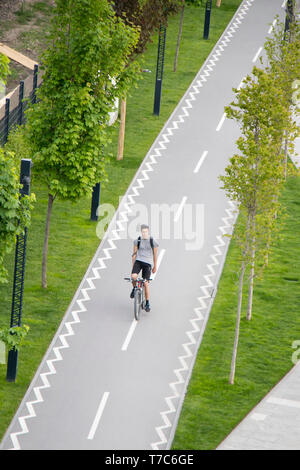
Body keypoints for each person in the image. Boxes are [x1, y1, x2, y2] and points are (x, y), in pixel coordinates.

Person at [130, 224, 159, 312]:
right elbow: (134, 254)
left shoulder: (152, 241)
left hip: (148, 263)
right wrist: (133, 266)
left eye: (146, 232)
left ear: (148, 232)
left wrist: (155, 266)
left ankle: (147, 302)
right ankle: (134, 288)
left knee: (145, 283)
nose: (144, 233)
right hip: (138, 261)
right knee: (133, 277)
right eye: (143, 232)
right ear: (141, 232)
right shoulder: (137, 241)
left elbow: (155, 254)